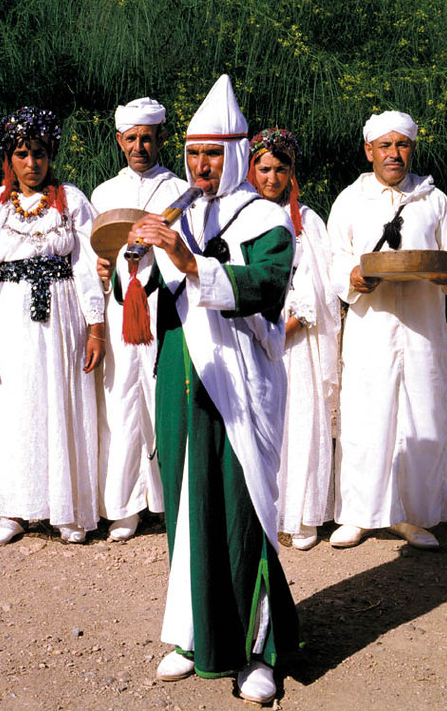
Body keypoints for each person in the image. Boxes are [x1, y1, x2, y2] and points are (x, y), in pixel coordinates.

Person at [125, 76, 300, 705]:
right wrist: (136, 259)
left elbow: (267, 285)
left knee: (239, 501)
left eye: (212, 154)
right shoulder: (179, 208)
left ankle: (255, 651)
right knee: (186, 496)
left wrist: (192, 261)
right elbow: (143, 292)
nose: (200, 166)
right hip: (180, 366)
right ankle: (192, 634)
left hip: (240, 376)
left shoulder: (265, 215)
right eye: (193, 153)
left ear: (235, 153)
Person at [327, 110, 447, 550]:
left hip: (423, 331)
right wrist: (351, 277)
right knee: (367, 417)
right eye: (385, 146)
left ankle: (413, 514)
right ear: (369, 150)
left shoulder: (434, 200)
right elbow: (335, 256)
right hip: (372, 329)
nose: (394, 154)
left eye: (402, 145)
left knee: (420, 415)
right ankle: (360, 513)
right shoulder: (350, 200)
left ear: (412, 148)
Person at [0, 106, 105, 548]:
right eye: (22, 153)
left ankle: (68, 509)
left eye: (39, 153)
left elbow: (88, 266)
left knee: (64, 400)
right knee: (14, 407)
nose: (32, 163)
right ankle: (14, 510)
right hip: (11, 318)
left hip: (63, 316)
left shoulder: (73, 201)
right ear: (10, 158)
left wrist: (96, 325)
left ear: (50, 155)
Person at [91, 98, 187, 542]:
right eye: (131, 138)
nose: (140, 146)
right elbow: (94, 252)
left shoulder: (178, 190)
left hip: (162, 306)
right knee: (122, 402)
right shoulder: (104, 194)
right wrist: (101, 268)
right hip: (118, 308)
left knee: (163, 401)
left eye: (148, 137)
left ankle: (175, 501)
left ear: (161, 137)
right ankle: (125, 506)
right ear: (119, 141)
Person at [248, 128, 340, 551]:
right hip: (249, 332)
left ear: (292, 172)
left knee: (298, 416)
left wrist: (291, 324)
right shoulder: (237, 215)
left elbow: (316, 286)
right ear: (250, 169)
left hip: (293, 337)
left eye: (281, 169)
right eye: (264, 168)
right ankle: (257, 508)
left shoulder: (308, 221)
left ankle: (299, 512)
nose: (272, 177)